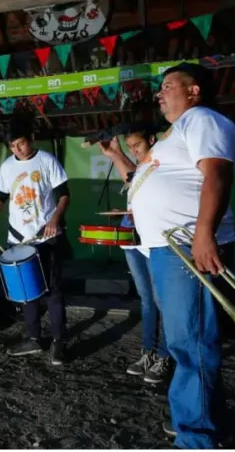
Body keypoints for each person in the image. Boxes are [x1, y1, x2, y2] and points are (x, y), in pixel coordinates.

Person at [130, 63, 235, 448]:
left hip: (187, 247)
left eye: (168, 86)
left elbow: (217, 176)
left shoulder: (203, 119)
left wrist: (204, 233)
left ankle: (197, 438)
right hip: (166, 249)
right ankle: (201, 421)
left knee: (190, 344)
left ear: (193, 91)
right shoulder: (172, 135)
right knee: (187, 341)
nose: (159, 93)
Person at [0, 117, 71, 365]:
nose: (17, 150)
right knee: (27, 291)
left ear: (30, 138)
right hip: (18, 239)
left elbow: (64, 195)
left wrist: (55, 219)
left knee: (52, 291)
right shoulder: (7, 166)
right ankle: (33, 337)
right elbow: (0, 198)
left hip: (46, 236)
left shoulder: (46, 161)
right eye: (12, 146)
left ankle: (59, 341)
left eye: (20, 143)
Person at [99, 123, 172, 385]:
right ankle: (148, 353)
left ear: (152, 139)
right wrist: (116, 154)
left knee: (162, 301)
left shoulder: (161, 162)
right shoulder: (140, 167)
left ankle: (165, 355)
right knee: (146, 300)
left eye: (137, 146)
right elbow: (131, 180)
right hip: (133, 241)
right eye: (130, 147)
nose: (134, 151)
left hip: (154, 241)